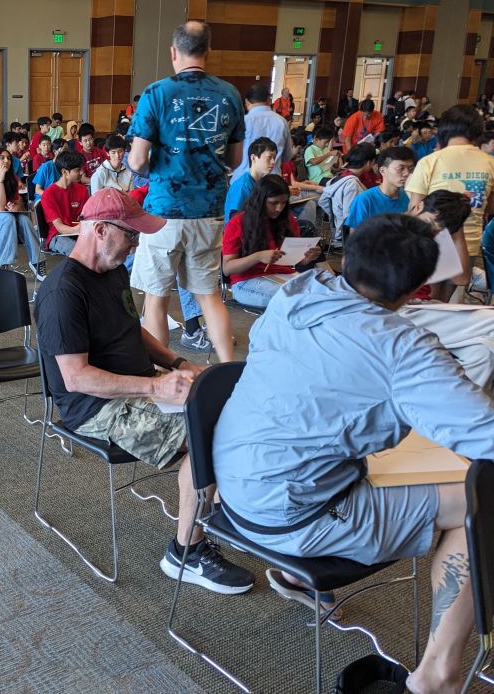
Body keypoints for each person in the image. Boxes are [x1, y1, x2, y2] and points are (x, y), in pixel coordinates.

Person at [212, 213, 494, 694]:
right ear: (416, 288)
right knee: (483, 500)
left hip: (233, 491)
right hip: (298, 518)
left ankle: (295, 577)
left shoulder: (296, 294)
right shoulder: (404, 348)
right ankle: (438, 677)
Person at [34, 187, 255, 594]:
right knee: (204, 439)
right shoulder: (62, 292)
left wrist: (176, 363)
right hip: (96, 406)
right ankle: (185, 552)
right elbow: (76, 378)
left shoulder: (113, 269)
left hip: (138, 386)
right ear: (100, 230)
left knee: (231, 404)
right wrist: (156, 385)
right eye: (131, 235)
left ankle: (220, 508)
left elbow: (129, 329)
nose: (137, 243)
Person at [127, 21, 245, 363]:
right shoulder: (230, 94)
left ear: (173, 52)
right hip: (209, 210)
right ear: (208, 52)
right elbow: (235, 159)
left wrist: (155, 169)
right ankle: (227, 370)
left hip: (164, 212)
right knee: (210, 297)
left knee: (156, 298)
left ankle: (162, 377)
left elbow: (136, 160)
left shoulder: (156, 93)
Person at [400, 190, 494, 389]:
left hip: (425, 309)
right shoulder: (393, 231)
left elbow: (462, 277)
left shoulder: (432, 232)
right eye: (433, 224)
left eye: (440, 229)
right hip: (398, 310)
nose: (433, 231)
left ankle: (458, 411)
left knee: (482, 353)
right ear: (418, 206)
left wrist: (454, 227)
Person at [405, 103, 494, 262]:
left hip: (431, 240)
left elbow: (415, 207)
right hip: (469, 244)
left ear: (443, 129)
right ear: (477, 130)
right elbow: (490, 206)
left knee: (428, 287)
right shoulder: (490, 163)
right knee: (458, 284)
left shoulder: (429, 162)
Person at [222, 175, 321, 309]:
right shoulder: (238, 222)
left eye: (284, 202)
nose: (279, 208)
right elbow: (227, 269)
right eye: (273, 203)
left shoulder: (288, 220)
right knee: (299, 301)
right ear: (261, 200)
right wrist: (258, 257)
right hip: (246, 281)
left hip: (283, 275)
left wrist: (306, 258)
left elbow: (293, 261)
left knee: (321, 294)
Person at [0, 148, 46, 280]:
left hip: (5, 217)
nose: (6, 161)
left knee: (24, 220)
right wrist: (1, 179)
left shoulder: (12, 177)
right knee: (7, 218)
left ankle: (37, 261)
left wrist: (15, 207)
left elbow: (18, 204)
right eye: (2, 158)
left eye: (8, 158)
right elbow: (0, 207)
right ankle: (2, 263)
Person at [231, 84, 292, 183]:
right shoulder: (282, 121)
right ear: (269, 100)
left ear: (246, 102)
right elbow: (287, 156)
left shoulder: (242, 121)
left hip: (243, 181)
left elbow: (231, 158)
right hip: (272, 183)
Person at [344, 145, 415, 231]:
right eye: (401, 168)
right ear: (382, 170)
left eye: (411, 168)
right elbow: (355, 239)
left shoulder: (410, 197)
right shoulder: (365, 200)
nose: (407, 173)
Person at [318, 142, 375, 246]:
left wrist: (335, 215)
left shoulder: (340, 177)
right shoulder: (352, 184)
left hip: (339, 228)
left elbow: (323, 201)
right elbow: (350, 215)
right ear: (368, 163)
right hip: (349, 234)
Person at [39, 149, 88, 256]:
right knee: (80, 252)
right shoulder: (49, 194)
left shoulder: (82, 190)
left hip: (78, 232)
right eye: (77, 170)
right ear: (64, 172)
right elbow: (60, 228)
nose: (82, 173)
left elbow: (86, 216)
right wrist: (80, 228)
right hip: (58, 236)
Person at [225, 137, 277, 220]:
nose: (273, 162)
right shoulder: (242, 186)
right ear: (253, 157)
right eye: (269, 157)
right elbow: (234, 219)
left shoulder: (260, 182)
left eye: (274, 158)